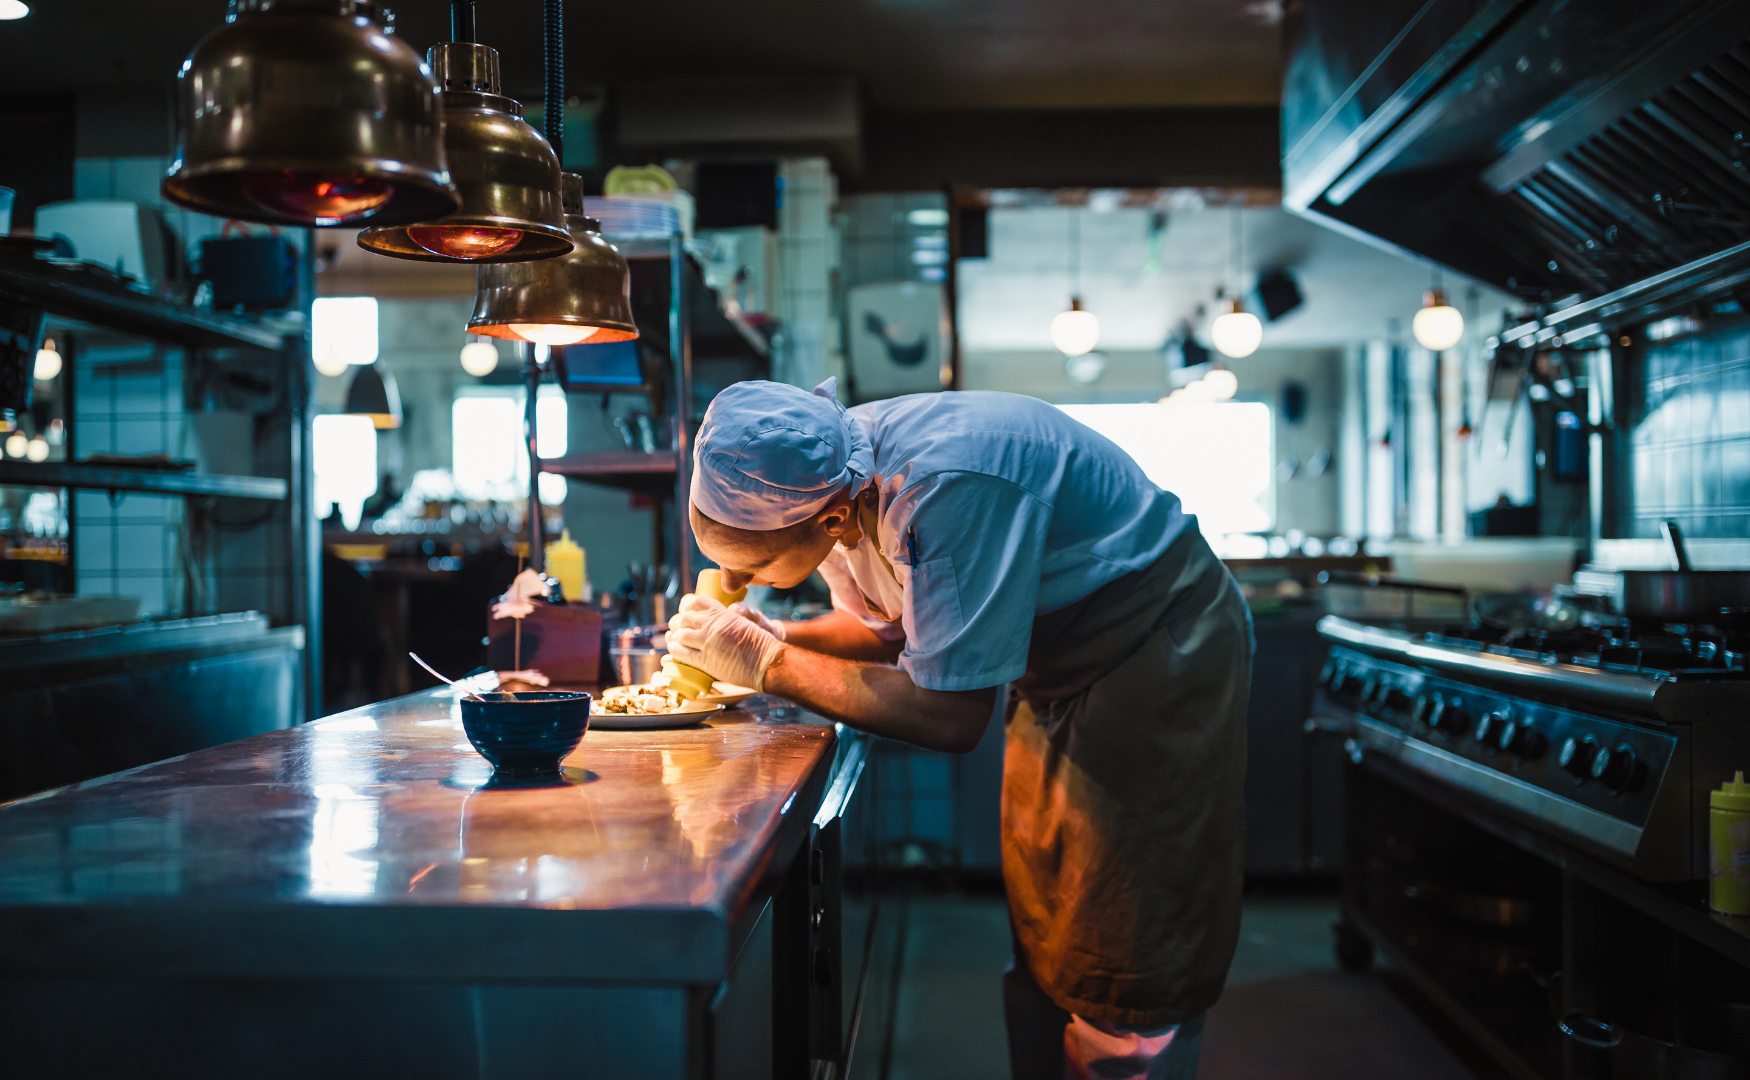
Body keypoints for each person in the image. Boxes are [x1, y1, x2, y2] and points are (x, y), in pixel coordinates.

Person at [668, 379, 1251, 1080]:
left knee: (1127, 921)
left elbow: (948, 714)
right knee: (1053, 907)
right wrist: (780, 633)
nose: (732, 580)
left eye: (752, 566)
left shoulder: (943, 488)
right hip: (1058, 666)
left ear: (829, 520)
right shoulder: (832, 477)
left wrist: (768, 662)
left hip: (1151, 649)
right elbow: (888, 631)